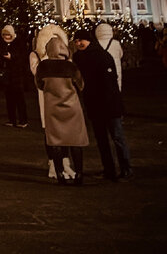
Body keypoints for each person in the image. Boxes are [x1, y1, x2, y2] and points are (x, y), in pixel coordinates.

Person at [72, 29, 132, 181]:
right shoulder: (78, 57)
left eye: (81, 40)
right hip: (93, 103)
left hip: (109, 103)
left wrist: (110, 100)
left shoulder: (102, 56)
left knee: (117, 137)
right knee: (101, 140)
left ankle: (126, 168)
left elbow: (110, 81)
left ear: (89, 40)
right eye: (76, 41)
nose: (79, 43)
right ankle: (109, 169)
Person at [34, 35, 88, 186]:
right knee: (76, 142)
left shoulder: (43, 67)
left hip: (53, 108)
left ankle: (60, 175)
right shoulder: (71, 67)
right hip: (72, 108)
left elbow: (39, 85)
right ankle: (79, 174)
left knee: (56, 142)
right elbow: (81, 85)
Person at [0, 25, 29, 128]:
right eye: (5, 35)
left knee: (19, 99)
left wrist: (12, 57)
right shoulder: (2, 44)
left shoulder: (19, 43)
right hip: (7, 76)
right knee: (9, 99)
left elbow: (23, 57)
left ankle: (23, 120)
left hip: (17, 75)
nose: (6, 37)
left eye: (8, 35)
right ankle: (12, 119)